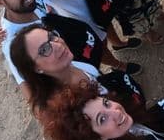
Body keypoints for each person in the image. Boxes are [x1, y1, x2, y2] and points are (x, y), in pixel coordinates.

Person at [0, 0, 137, 102]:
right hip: (68, 76)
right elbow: (30, 91)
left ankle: (117, 65)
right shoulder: (12, 41)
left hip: (69, 43)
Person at [9, 24, 143, 114]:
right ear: (36, 68)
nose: (57, 45)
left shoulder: (71, 63)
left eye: (52, 37)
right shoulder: (66, 109)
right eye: (44, 49)